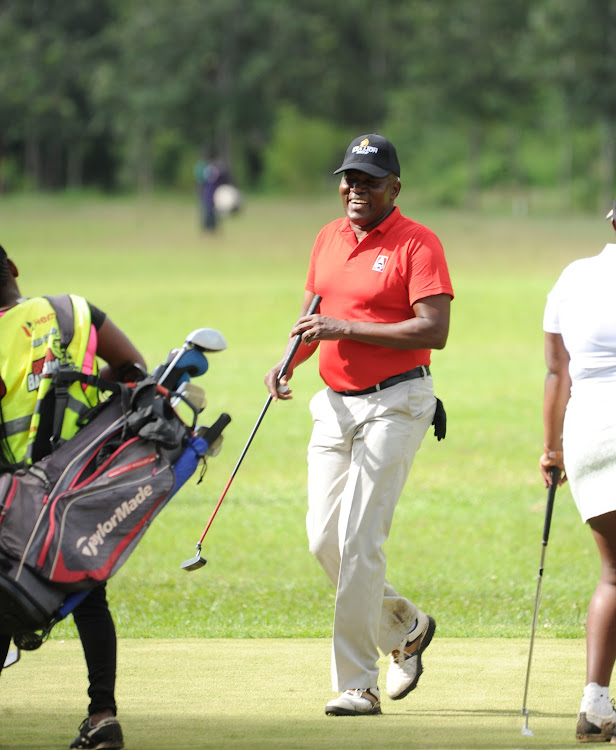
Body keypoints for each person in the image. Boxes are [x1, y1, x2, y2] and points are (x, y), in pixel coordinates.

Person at [264, 134, 454, 716]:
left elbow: (433, 330)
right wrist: (287, 360)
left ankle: (359, 684)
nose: (356, 188)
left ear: (395, 186)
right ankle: (406, 629)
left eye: (370, 180)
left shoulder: (418, 244)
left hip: (397, 402)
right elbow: (311, 315)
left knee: (359, 540)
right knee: (324, 538)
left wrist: (344, 329)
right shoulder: (327, 237)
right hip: (335, 403)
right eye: (349, 177)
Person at [0, 244, 147, 750]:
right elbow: (133, 370)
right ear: (13, 270)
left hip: (12, 499)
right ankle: (102, 715)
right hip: (77, 484)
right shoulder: (71, 312)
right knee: (89, 595)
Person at [541, 200, 616, 743]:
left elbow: (556, 371)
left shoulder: (573, 277)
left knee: (613, 574)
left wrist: (552, 450)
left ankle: (595, 703)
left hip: (588, 432)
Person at [194, 149, 229, 232]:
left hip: (213, 193)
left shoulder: (211, 167)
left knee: (212, 212)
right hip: (210, 193)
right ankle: (208, 229)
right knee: (208, 212)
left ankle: (212, 229)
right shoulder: (207, 166)